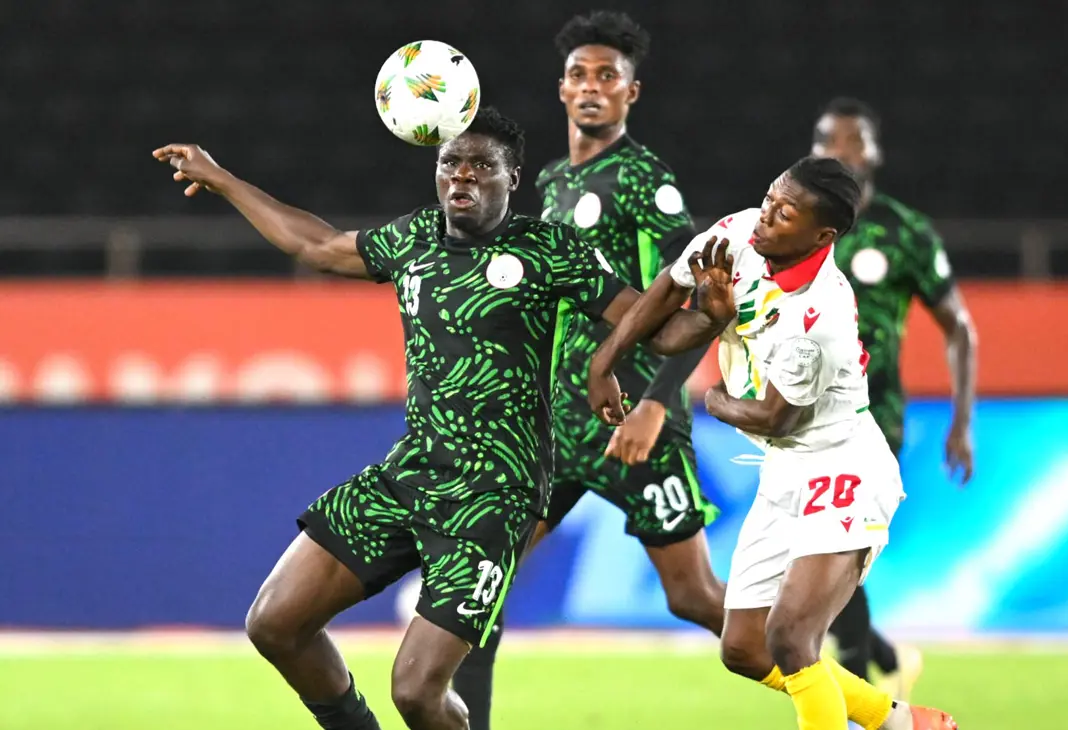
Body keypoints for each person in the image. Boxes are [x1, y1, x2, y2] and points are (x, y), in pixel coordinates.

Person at [151, 107, 700, 730]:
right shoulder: (412, 239)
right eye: (450, 162)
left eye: (481, 165)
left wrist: (708, 307)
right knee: (275, 622)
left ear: (513, 178)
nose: (462, 175)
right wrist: (223, 179)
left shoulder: (551, 250)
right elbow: (316, 245)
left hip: (494, 497)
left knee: (415, 692)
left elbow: (660, 329)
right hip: (412, 472)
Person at [587, 156, 958, 730]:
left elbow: (776, 417)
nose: (765, 216)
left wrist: (713, 399)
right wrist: (605, 361)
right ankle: (898, 721)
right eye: (769, 199)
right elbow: (664, 296)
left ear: (822, 235)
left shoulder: (821, 311)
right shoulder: (736, 235)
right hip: (785, 469)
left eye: (785, 213)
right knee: (743, 647)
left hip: (843, 466)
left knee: (791, 636)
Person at [451, 13, 724, 730]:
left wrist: (656, 405)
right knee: (481, 583)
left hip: (634, 421)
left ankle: (855, 695)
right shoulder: (550, 180)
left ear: (632, 92)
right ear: (562, 89)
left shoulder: (643, 179)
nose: (592, 86)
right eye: (580, 74)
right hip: (560, 426)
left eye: (609, 76)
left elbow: (697, 302)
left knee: (694, 597)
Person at [813, 97, 977, 699]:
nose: (840, 152)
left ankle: (860, 692)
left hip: (872, 418)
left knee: (838, 552)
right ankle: (885, 658)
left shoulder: (905, 232)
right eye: (829, 140)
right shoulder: (794, 224)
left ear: (875, 152)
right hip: (799, 417)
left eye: (853, 140)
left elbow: (959, 328)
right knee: (812, 557)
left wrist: (962, 422)